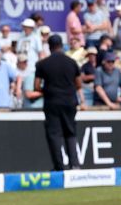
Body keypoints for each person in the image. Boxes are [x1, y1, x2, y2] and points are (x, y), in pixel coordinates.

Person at [28, 34, 88, 171]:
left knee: (54, 134)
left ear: (49, 47)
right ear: (62, 45)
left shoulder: (42, 64)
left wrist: (48, 90)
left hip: (52, 101)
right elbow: (78, 84)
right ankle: (75, 165)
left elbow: (36, 86)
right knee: (70, 132)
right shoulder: (72, 62)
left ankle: (59, 166)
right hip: (69, 101)